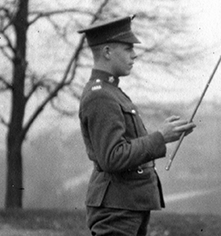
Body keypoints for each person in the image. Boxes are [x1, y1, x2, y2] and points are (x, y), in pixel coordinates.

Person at [77, 15, 196, 236]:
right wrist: (160, 137)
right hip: (117, 209)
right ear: (107, 52)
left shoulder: (111, 92)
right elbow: (113, 156)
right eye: (128, 48)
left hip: (127, 205)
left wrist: (165, 134)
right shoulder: (101, 96)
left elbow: (125, 145)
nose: (134, 55)